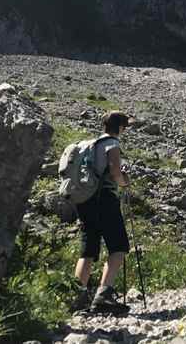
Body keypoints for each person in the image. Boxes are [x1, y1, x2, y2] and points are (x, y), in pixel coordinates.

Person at [70, 111, 131, 314]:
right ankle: (103, 296)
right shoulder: (112, 145)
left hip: (84, 200)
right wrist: (124, 182)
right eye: (125, 127)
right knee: (119, 246)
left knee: (88, 248)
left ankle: (77, 296)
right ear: (120, 128)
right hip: (104, 199)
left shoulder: (89, 144)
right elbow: (115, 172)